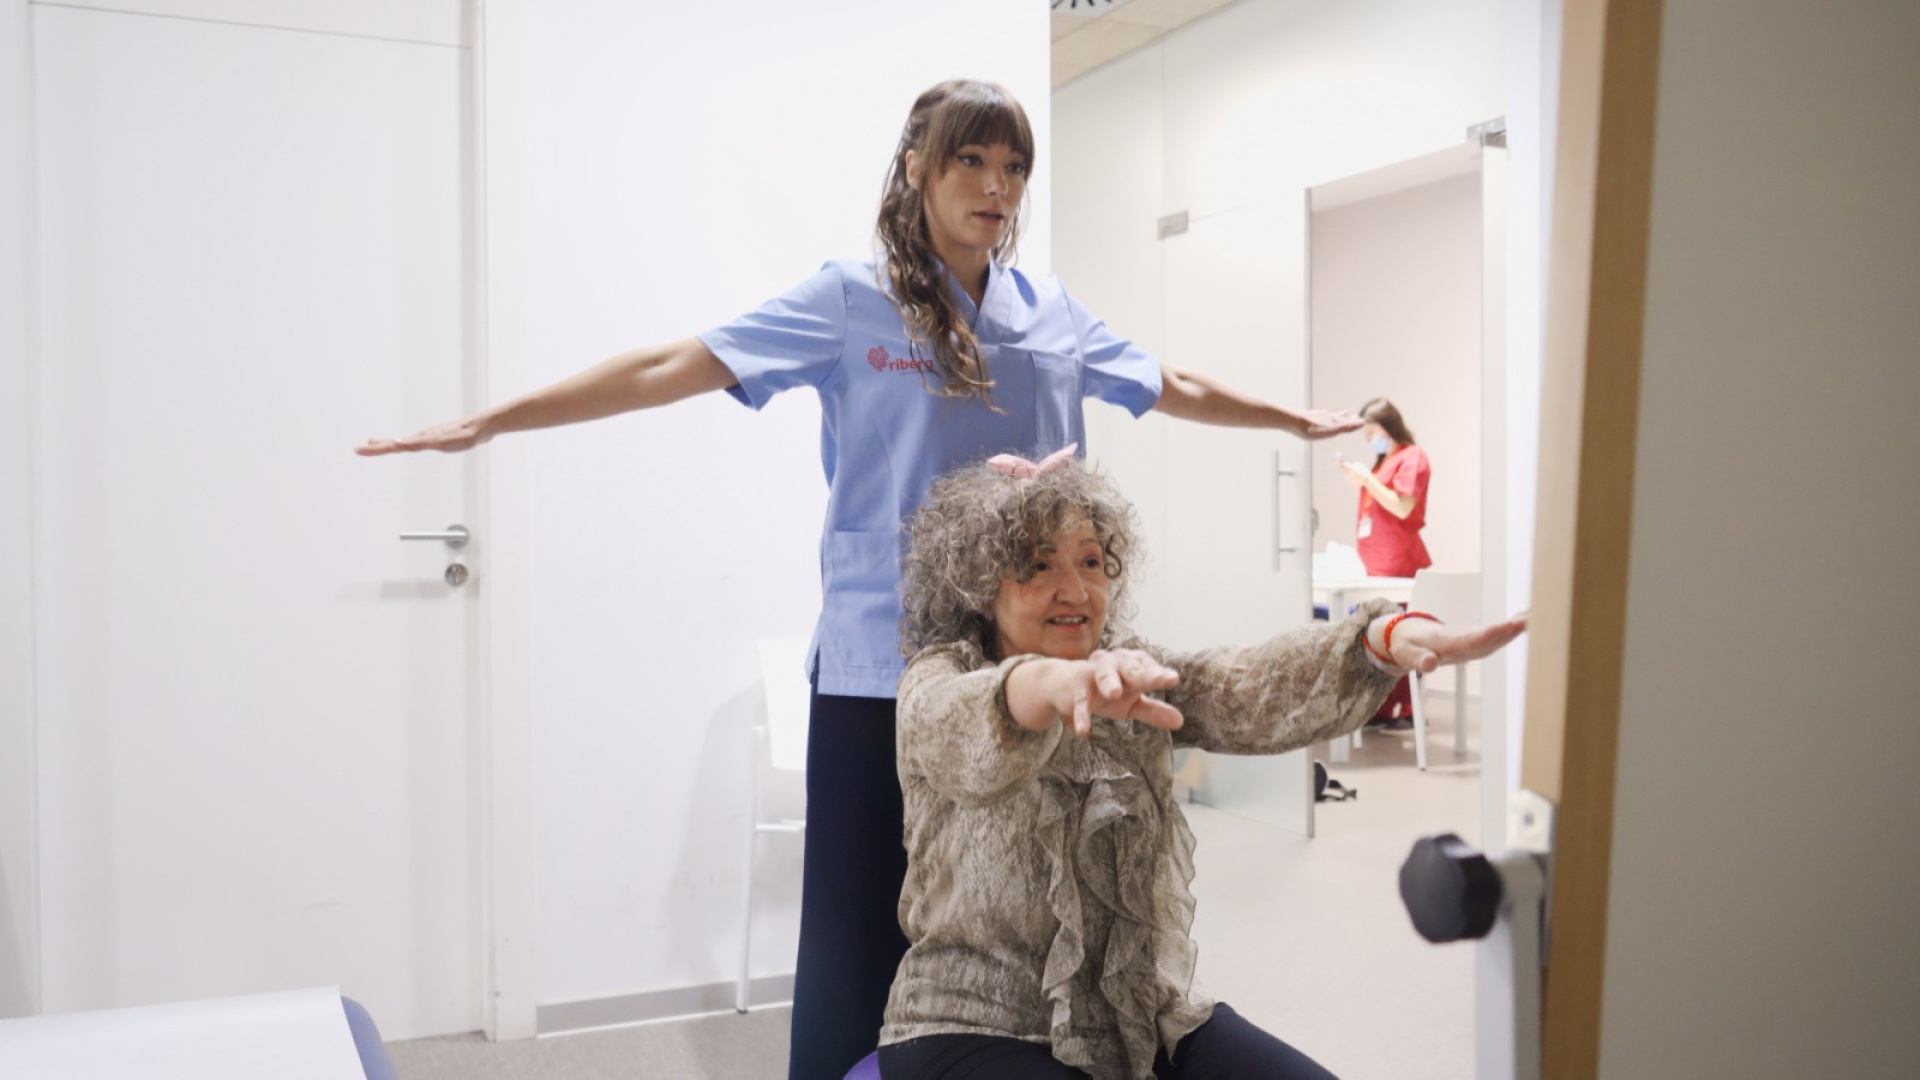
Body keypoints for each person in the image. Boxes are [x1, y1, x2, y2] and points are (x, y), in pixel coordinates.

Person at [358, 78, 1361, 1079]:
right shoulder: (851, 301)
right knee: (851, 953)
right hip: (879, 674)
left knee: (1020, 937)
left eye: (1014, 167)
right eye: (971, 160)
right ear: (917, 167)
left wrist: (1292, 419)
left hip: (1031, 676)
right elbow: (674, 364)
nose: (996, 186)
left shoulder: (1048, 312)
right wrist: (491, 422)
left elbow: (1168, 383)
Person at [883, 456, 1524, 1080]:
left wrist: (1377, 643)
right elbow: (960, 724)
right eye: (1038, 565)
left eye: (1091, 561)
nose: (1075, 591)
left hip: (1132, 1020)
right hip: (968, 1024)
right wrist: (1047, 683)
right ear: (979, 582)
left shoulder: (1127, 674)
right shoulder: (937, 679)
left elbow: (1244, 683)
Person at [1339, 397, 1431, 578]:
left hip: (1400, 564)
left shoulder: (1412, 456)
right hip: (1374, 563)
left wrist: (1367, 479)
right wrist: (1359, 483)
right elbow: (1379, 508)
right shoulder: (1382, 464)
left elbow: (1402, 508)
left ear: (1389, 427)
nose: (1368, 440)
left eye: (1371, 432)